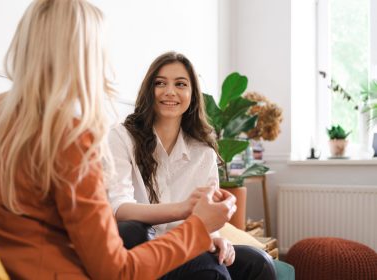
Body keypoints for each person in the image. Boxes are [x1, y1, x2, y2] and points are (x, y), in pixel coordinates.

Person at [0, 1, 237, 279]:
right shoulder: (73, 139)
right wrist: (199, 227)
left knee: (250, 263)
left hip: (11, 267)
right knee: (210, 270)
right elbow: (118, 271)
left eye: (180, 84)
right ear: (84, 57)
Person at [107, 51, 277, 280]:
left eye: (180, 84)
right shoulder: (122, 138)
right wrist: (185, 209)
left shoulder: (203, 151)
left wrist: (214, 237)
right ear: (149, 90)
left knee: (259, 263)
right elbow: (119, 208)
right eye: (160, 83)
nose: (170, 92)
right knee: (208, 268)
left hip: (190, 244)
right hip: (145, 250)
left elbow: (209, 221)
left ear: (192, 95)